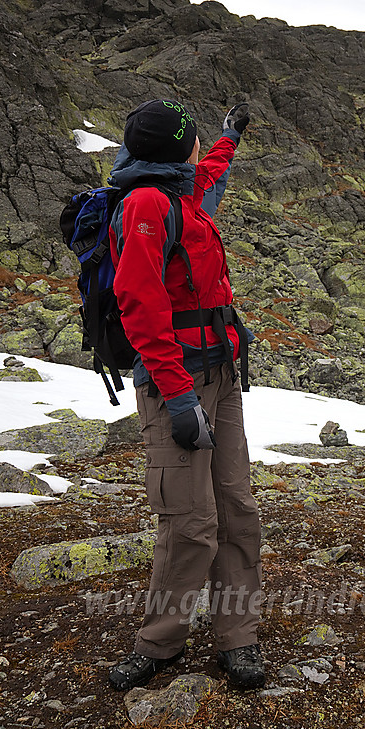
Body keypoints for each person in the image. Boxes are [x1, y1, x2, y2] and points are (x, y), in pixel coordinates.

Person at [106, 99, 264, 691]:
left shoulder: (182, 189)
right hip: (178, 380)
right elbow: (140, 306)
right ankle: (161, 641)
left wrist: (230, 137)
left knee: (236, 510)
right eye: (196, 141)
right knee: (190, 521)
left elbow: (213, 170)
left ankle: (237, 636)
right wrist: (176, 397)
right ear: (178, 148)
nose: (202, 152)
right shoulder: (147, 205)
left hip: (220, 376)